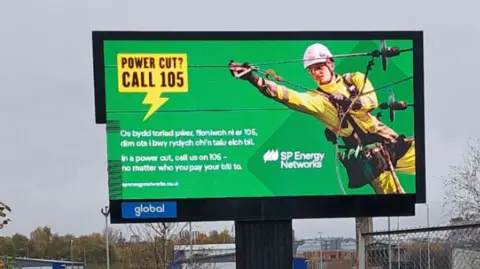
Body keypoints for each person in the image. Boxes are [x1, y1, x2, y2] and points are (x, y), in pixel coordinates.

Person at [228, 43, 416, 195]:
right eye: (311, 70)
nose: (316, 73)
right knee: (394, 197)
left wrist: (348, 101)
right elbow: (288, 96)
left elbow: (371, 101)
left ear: (331, 64)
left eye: (319, 67)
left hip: (389, 141)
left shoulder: (355, 80)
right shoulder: (317, 100)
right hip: (370, 159)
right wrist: (253, 78)